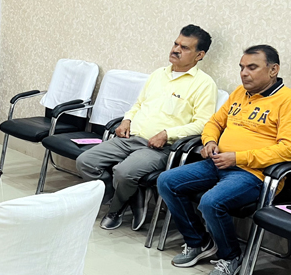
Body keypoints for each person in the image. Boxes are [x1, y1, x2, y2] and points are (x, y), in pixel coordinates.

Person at [157, 45, 291, 275]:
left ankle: (230, 256)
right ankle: (198, 242)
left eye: (252, 67)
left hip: (254, 174)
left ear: (273, 70)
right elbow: (214, 122)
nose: (244, 73)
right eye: (241, 67)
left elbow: (289, 149)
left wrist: (238, 158)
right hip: (218, 162)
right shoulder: (239, 94)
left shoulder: (289, 101)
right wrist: (210, 142)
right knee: (167, 181)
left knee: (211, 201)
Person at [76, 24, 217, 231]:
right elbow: (139, 104)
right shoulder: (158, 74)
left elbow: (203, 123)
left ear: (200, 55)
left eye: (185, 47)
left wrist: (168, 134)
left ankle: (115, 209)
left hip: (160, 148)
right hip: (131, 137)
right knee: (85, 161)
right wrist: (126, 120)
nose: (176, 49)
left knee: (124, 172)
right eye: (176, 44)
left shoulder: (204, 84)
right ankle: (120, 198)